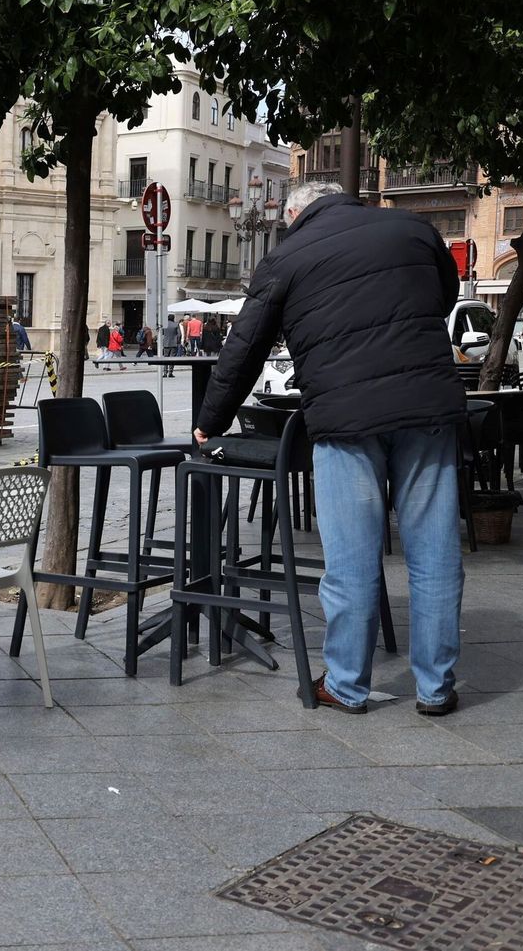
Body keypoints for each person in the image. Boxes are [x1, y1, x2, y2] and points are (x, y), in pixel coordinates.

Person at [193, 181, 466, 716]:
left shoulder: (287, 255)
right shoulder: (414, 229)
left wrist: (210, 421)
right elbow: (445, 296)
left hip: (346, 419)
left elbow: (243, 348)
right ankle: (435, 689)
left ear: (295, 213)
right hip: (426, 407)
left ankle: (346, 684)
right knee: (435, 554)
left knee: (352, 558)